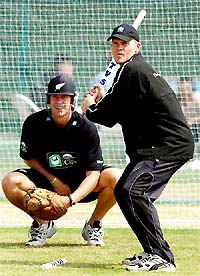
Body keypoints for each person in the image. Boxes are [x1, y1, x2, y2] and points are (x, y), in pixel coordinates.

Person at [81, 23, 194, 272]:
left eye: (125, 43)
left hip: (166, 146)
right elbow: (120, 106)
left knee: (132, 191)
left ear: (137, 47)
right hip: (154, 147)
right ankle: (152, 252)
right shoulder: (131, 72)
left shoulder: (133, 70)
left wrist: (89, 107)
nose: (119, 47)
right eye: (115, 43)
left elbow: (107, 116)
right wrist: (102, 99)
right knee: (125, 190)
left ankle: (162, 257)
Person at [1, 75, 122, 247]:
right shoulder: (34, 123)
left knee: (117, 178)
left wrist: (70, 200)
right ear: (48, 99)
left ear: (72, 100)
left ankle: (93, 225)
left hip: (81, 181)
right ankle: (43, 224)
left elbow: (93, 174)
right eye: (55, 97)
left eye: (64, 97)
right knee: (10, 182)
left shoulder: (86, 127)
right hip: (47, 181)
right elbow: (28, 158)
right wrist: (54, 180)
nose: (59, 102)